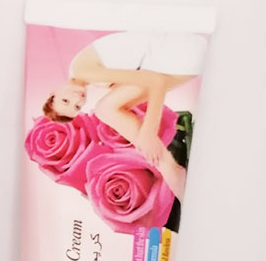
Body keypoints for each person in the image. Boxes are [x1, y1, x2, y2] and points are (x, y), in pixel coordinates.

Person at [42, 31, 207, 199]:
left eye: (65, 100)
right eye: (77, 106)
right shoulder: (91, 79)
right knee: (109, 109)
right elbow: (150, 82)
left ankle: (171, 170)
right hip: (185, 56)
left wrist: (148, 133)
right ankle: (169, 169)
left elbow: (157, 82)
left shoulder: (82, 71)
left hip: (181, 50)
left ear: (54, 93)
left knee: (105, 109)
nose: (77, 99)